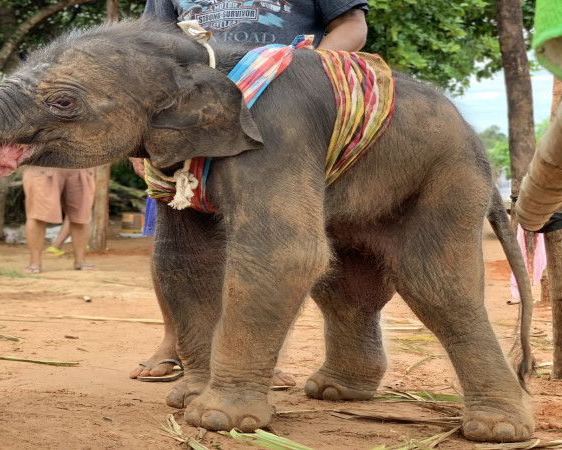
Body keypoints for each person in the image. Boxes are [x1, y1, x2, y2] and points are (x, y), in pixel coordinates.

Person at [129, 0, 369, 383]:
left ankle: (251, 358)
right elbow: (150, 43)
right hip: (190, 111)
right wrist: (140, 133)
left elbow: (352, 25)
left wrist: (299, 74)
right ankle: (177, 344)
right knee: (180, 238)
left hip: (282, 112)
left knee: (267, 242)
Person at [23, 167, 96, 273]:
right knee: (37, 214)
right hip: (44, 163)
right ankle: (34, 262)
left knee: (81, 215)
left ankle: (81, 261)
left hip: (81, 163)